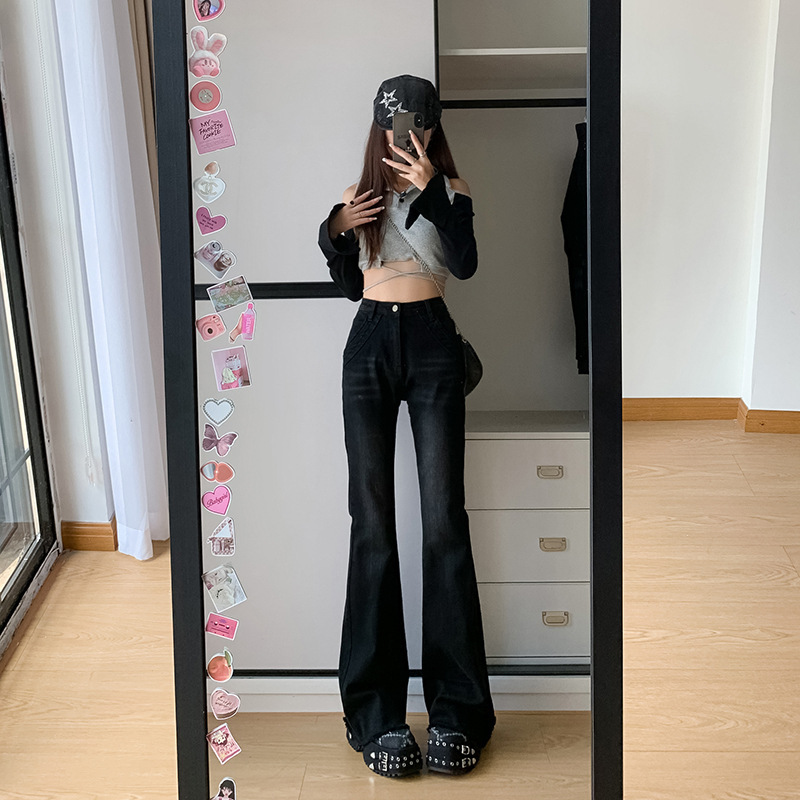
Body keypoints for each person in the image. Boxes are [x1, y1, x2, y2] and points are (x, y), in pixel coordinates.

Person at [317, 74, 495, 778]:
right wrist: (336, 229)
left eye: (417, 124)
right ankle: (376, 717)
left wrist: (432, 192)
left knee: (444, 521)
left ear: (432, 127)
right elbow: (346, 284)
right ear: (378, 127)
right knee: (372, 525)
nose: (405, 136)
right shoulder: (358, 195)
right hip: (368, 341)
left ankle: (458, 715)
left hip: (432, 342)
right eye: (394, 124)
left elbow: (467, 264)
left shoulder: (452, 188)